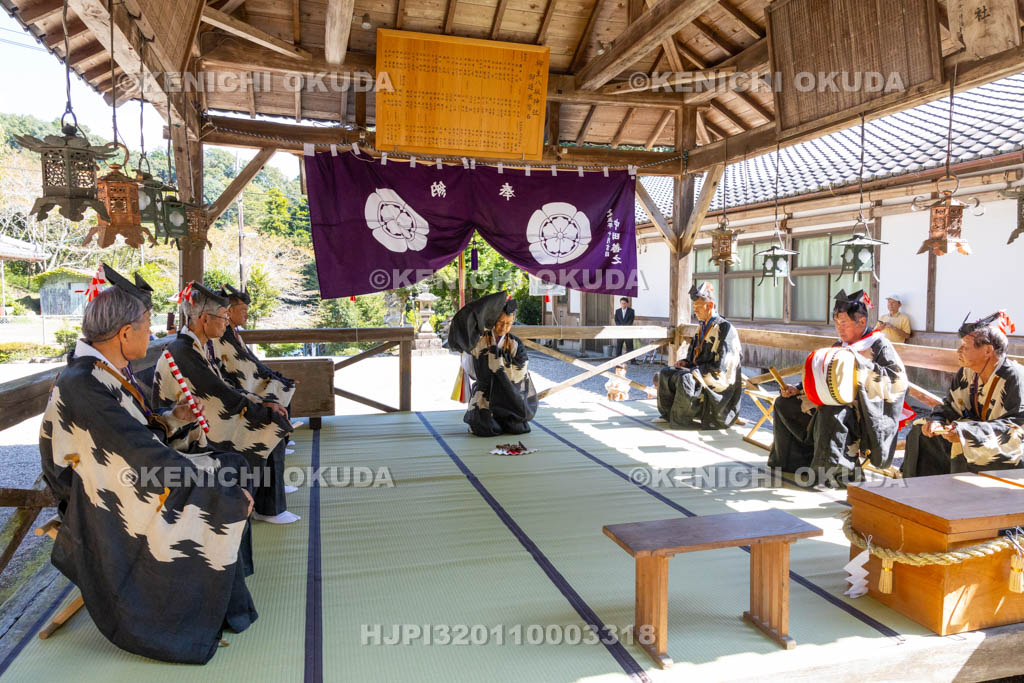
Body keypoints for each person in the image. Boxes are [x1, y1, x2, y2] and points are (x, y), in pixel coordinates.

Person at [39, 264, 257, 664]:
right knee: (224, 482)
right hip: (100, 497)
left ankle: (224, 598)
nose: (151, 333)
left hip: (125, 472)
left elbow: (136, 434)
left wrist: (172, 418)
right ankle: (191, 615)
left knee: (232, 464)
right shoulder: (83, 383)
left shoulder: (99, 371)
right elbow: (139, 453)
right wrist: (213, 487)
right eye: (146, 325)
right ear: (125, 334)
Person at [153, 282, 300, 524]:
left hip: (200, 417)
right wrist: (260, 408)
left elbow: (223, 385)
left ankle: (267, 502)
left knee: (270, 413)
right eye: (223, 317)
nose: (226, 322)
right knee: (267, 422)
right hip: (184, 432)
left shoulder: (197, 345)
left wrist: (261, 402)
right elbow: (219, 392)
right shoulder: (183, 350)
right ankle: (266, 507)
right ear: (204, 319)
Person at [768, 289, 909, 487]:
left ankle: (835, 475)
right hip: (833, 400)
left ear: (861, 322)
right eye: (836, 323)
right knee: (785, 403)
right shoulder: (840, 344)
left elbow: (897, 382)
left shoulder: (879, 345)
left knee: (832, 411)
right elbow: (824, 377)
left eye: (844, 323)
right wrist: (799, 389)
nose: (839, 329)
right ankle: (797, 462)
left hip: (864, 409)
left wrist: (859, 364)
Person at [902, 311, 1023, 477]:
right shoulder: (967, 372)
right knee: (922, 431)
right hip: (974, 431)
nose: (958, 351)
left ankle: (958, 491)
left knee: (963, 442)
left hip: (1007, 449)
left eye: (965, 346)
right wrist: (937, 421)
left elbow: (1016, 428)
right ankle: (921, 490)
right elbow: (951, 406)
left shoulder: (1014, 377)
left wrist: (966, 432)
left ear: (988, 351)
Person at [448, 293, 538, 436]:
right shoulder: (479, 340)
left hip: (508, 393)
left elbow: (521, 369)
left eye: (508, 323)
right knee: (487, 428)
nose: (504, 327)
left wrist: (496, 362)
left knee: (518, 428)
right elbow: (471, 368)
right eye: (501, 322)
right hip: (484, 394)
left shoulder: (515, 343)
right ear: (493, 320)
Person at [655, 282, 742, 429]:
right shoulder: (701, 327)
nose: (695, 311)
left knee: (686, 378)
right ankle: (668, 415)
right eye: (694, 307)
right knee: (665, 373)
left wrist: (695, 370)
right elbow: (692, 357)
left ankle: (681, 421)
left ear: (710, 305)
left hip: (718, 377)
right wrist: (685, 362)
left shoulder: (725, 328)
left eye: (698, 307)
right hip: (698, 370)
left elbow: (724, 366)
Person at [216, 284, 296, 407]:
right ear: (230, 311)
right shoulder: (222, 336)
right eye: (243, 311)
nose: (247, 316)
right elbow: (244, 367)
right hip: (239, 393)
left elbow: (252, 362)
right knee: (278, 396)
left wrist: (275, 377)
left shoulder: (234, 333)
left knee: (281, 390)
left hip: (249, 389)